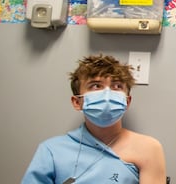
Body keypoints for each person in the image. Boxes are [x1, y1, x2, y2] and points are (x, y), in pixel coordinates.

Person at [22, 54, 166, 183]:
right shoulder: (51, 151)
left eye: (117, 86)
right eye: (96, 86)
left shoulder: (148, 148)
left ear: (127, 102)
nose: (107, 94)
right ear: (77, 102)